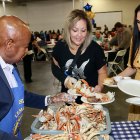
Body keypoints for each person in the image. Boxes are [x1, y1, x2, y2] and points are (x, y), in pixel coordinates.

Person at [0, 15, 75, 140]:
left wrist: (51, 99)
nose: (26, 51)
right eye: (25, 47)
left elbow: (20, 97)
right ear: (9, 44)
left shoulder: (11, 65)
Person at [51, 9, 107, 103]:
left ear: (88, 31)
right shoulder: (60, 47)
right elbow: (54, 67)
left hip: (90, 100)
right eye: (75, 30)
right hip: (69, 100)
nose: (79, 35)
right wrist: (65, 80)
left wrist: (100, 87)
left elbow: (103, 73)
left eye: (83, 30)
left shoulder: (95, 49)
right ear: (68, 30)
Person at [112, 4, 140, 120]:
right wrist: (115, 78)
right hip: (137, 96)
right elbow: (132, 67)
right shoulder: (136, 39)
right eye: (138, 22)